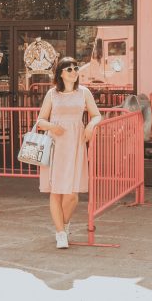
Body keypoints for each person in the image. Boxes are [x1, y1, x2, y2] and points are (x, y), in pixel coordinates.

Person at [36, 57, 102, 249]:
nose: (74, 72)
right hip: (56, 145)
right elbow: (40, 121)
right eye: (69, 69)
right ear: (61, 74)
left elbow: (97, 114)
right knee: (56, 192)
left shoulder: (84, 93)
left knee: (72, 194)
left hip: (75, 145)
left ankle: (62, 225)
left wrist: (90, 124)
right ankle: (60, 233)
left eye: (75, 68)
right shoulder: (52, 94)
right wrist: (52, 127)